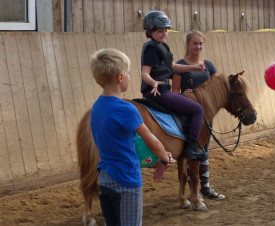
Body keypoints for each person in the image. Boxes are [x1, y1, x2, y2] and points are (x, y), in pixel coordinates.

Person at [90, 48, 175, 226]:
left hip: (105, 178)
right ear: (120, 78)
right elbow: (151, 141)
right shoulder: (126, 109)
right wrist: (164, 158)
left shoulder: (97, 106)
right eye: (128, 73)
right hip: (126, 180)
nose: (129, 76)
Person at [141, 10, 208, 161]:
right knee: (198, 109)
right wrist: (153, 82)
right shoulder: (151, 49)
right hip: (159, 92)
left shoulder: (163, 46)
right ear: (150, 31)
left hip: (163, 90)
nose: (164, 34)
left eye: (165, 31)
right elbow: (144, 73)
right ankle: (192, 147)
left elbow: (174, 67)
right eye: (160, 31)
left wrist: (193, 68)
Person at [172, 30, 225, 201]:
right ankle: (193, 191)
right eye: (195, 43)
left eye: (201, 43)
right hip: (189, 115)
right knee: (191, 152)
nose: (198, 46)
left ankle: (206, 188)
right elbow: (174, 92)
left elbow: (218, 86)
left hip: (206, 115)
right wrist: (184, 93)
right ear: (188, 45)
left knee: (204, 151)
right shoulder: (181, 65)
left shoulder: (208, 65)